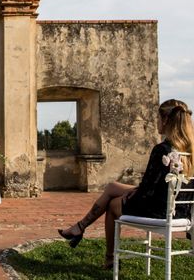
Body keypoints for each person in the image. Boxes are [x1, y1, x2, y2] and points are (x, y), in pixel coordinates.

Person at [58, 99, 194, 269]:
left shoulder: (163, 150)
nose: (157, 123)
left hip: (159, 211)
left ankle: (106, 255)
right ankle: (81, 229)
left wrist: (129, 194)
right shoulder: (190, 151)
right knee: (112, 188)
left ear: (166, 120)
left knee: (113, 203)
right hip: (181, 212)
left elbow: (147, 190)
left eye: (158, 119)